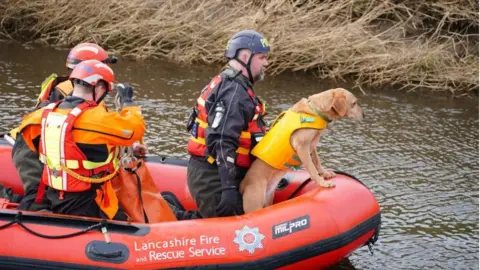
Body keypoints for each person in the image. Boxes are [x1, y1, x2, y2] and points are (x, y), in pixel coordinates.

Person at [14, 59, 145, 220]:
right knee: (126, 221)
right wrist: (127, 102)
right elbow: (135, 129)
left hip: (55, 195)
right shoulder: (96, 119)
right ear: (99, 87)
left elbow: (25, 142)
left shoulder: (39, 116)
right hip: (88, 201)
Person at [186, 30, 270, 218]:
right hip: (214, 176)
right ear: (245, 56)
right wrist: (228, 187)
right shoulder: (234, 91)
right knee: (229, 230)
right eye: (262, 57)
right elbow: (221, 139)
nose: (266, 63)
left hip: (221, 172)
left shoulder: (233, 84)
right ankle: (170, 220)